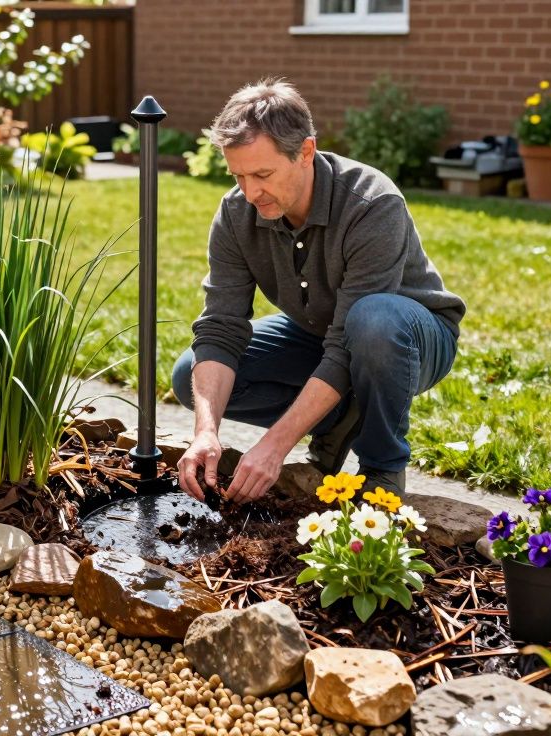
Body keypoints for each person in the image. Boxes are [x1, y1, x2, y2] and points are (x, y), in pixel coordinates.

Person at [173, 78, 466, 505]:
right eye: (238, 175)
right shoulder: (237, 211)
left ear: (305, 152)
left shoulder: (372, 203)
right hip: (316, 333)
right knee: (190, 377)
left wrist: (275, 446)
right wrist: (206, 432)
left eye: (263, 174)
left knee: (374, 321)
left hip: (407, 338)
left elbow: (349, 342)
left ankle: (382, 467)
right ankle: (337, 420)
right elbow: (220, 328)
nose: (251, 192)